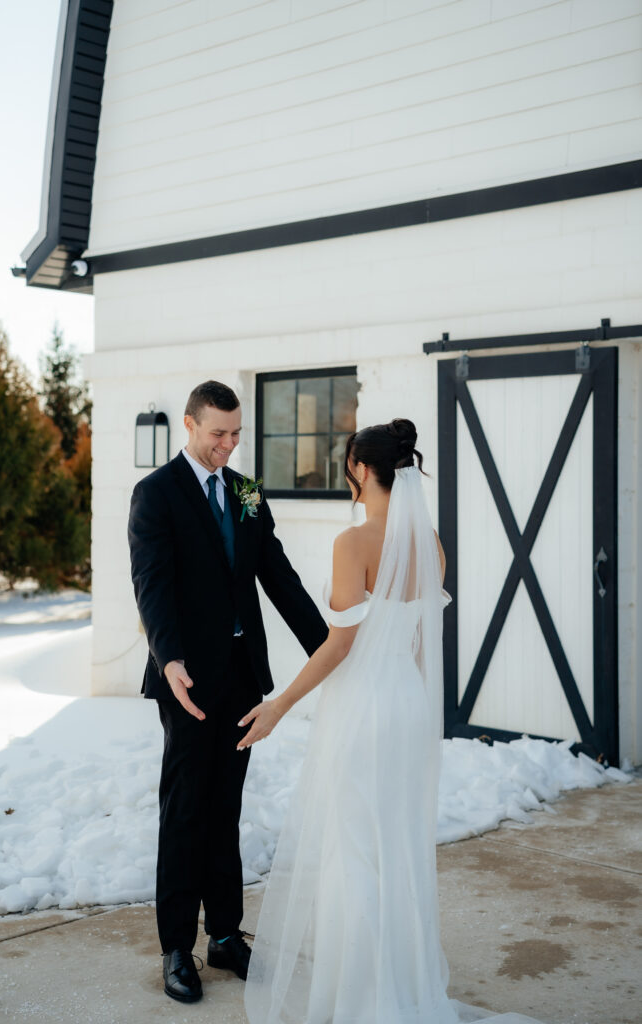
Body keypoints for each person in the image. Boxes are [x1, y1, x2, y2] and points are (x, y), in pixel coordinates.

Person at [240, 419, 551, 1024]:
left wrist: (279, 705)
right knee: (398, 847)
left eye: (348, 466)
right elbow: (419, 644)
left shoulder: (353, 543)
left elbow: (340, 645)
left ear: (362, 469)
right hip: (408, 704)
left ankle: (364, 1001)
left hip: (365, 708)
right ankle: (402, 987)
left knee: (356, 849)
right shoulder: (430, 543)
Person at [127, 380, 328, 1005]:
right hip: (186, 682)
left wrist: (329, 647)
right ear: (190, 425)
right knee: (185, 811)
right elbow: (151, 583)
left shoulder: (246, 492)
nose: (229, 444)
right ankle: (175, 948)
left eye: (236, 433)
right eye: (218, 433)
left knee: (226, 808)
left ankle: (223, 936)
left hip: (241, 678)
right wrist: (168, 658)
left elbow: (279, 575)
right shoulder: (156, 493)